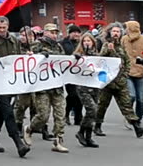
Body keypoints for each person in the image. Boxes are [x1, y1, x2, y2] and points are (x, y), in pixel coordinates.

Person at [0, 17, 31, 157]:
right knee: (8, 111)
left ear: (8, 26)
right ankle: (18, 143)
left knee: (2, 110)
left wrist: (27, 56)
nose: (2, 30)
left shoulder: (14, 41)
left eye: (4, 28)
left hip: (11, 81)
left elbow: (17, 58)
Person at [94, 22, 143, 138]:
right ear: (110, 32)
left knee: (126, 105)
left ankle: (137, 127)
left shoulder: (121, 45)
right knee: (102, 105)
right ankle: (97, 126)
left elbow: (127, 61)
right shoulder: (106, 45)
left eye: (118, 31)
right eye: (114, 31)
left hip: (120, 81)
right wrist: (109, 50)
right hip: (108, 82)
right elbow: (100, 60)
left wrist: (125, 74)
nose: (116, 33)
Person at [26, 23, 69, 153]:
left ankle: (58, 140)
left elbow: (64, 61)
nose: (54, 35)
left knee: (60, 114)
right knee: (43, 115)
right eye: (52, 32)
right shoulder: (37, 44)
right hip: (42, 86)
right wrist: (34, 56)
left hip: (56, 85)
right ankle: (30, 129)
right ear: (45, 32)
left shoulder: (58, 46)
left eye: (56, 33)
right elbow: (29, 60)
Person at [73, 33, 101, 148]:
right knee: (92, 109)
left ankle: (88, 136)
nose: (87, 43)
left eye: (89, 41)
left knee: (92, 113)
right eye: (84, 41)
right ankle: (81, 132)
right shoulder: (78, 55)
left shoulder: (96, 55)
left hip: (94, 86)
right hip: (82, 86)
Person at [121, 20, 143, 121]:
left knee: (141, 99)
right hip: (127, 71)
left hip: (140, 71)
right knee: (131, 96)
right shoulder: (124, 39)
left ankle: (138, 119)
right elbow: (120, 52)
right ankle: (129, 115)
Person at [61, 25, 83, 126]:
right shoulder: (63, 43)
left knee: (80, 96)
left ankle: (78, 117)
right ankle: (66, 113)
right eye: (74, 32)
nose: (76, 34)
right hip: (68, 72)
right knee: (73, 94)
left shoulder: (82, 43)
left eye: (78, 32)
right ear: (70, 33)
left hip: (80, 73)